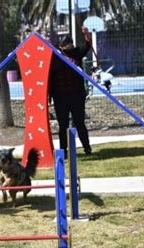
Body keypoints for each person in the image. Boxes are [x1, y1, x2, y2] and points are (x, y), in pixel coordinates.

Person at [49, 27, 93, 157]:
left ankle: (87, 148)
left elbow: (88, 45)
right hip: (60, 97)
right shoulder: (54, 56)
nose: (69, 47)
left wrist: (86, 34)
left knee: (80, 123)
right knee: (63, 126)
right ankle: (64, 152)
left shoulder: (76, 53)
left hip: (76, 95)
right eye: (67, 45)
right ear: (61, 46)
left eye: (70, 44)